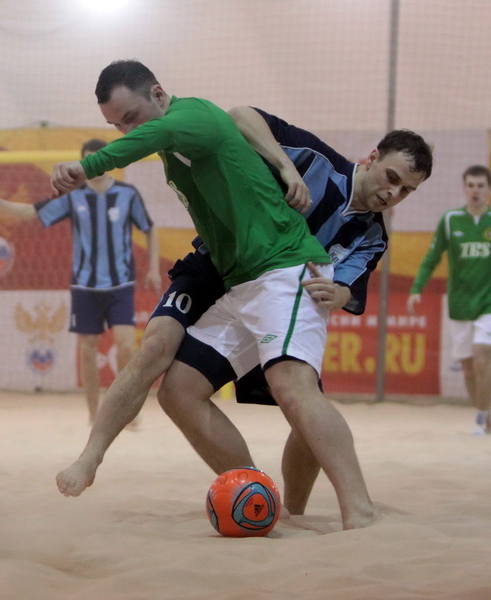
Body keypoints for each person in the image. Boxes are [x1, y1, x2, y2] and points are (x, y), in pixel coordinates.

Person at [51, 59, 431, 530]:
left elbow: (348, 288)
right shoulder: (314, 159)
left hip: (283, 270)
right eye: (393, 179)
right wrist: (286, 166)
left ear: (159, 95)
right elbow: (242, 116)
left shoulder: (372, 235)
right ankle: (257, 495)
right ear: (372, 158)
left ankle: (337, 512)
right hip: (226, 267)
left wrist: (338, 291)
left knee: (298, 396)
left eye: (406, 191)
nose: (394, 194)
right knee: (174, 381)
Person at [0, 138, 162, 423]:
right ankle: (94, 415)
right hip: (84, 286)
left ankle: (124, 410)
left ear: (107, 160)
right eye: (88, 161)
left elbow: (149, 228)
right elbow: (32, 212)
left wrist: (153, 269)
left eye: (98, 159)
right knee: (87, 351)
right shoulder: (73, 196)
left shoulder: (127, 194)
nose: (94, 166)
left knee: (126, 347)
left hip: (121, 284)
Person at [407, 165, 491, 435]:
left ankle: (483, 417)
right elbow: (432, 258)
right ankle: (483, 413)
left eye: (480, 185)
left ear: (488, 189)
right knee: (468, 368)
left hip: (488, 304)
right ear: (464, 188)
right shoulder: (451, 220)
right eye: (471, 185)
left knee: (482, 356)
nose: (475, 190)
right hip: (460, 305)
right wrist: (417, 288)